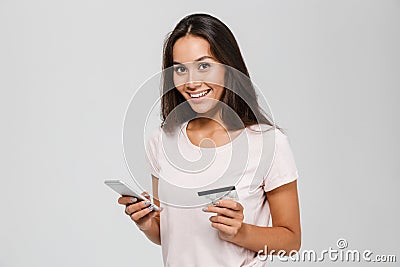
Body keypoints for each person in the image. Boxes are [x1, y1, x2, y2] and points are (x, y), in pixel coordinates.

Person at [118, 13, 301, 266]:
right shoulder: (161, 141)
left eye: (204, 65)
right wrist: (148, 223)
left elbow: (291, 242)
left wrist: (240, 232)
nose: (192, 82)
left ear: (228, 67)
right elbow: (170, 233)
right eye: (181, 69)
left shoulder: (269, 143)